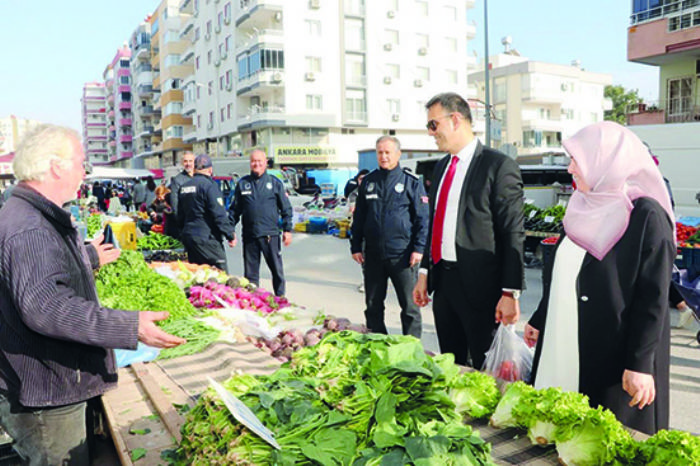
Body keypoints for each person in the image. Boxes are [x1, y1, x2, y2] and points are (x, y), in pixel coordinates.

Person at [0, 124, 185, 464]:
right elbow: (45, 306)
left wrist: (87, 257)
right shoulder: (29, 226)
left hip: (45, 380)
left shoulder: (30, 216)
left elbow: (33, 273)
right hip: (46, 394)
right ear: (57, 166)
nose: (85, 172)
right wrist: (130, 327)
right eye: (82, 162)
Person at [523, 122, 675, 435]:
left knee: (603, 439)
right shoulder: (580, 206)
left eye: (576, 159)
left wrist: (640, 364)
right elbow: (564, 270)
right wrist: (539, 318)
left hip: (611, 351)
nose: (569, 168)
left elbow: (654, 297)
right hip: (562, 340)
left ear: (604, 159)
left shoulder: (645, 214)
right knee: (559, 429)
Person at [412, 92, 525, 369]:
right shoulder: (441, 168)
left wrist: (509, 293)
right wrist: (425, 272)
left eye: (433, 125)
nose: (430, 133)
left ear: (455, 119)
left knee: (487, 370)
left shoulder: (497, 166)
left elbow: (513, 231)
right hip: (445, 284)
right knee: (452, 365)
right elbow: (435, 223)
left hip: (482, 288)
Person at [350, 136, 429, 338]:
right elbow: (359, 217)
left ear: (398, 154)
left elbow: (422, 218)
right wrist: (356, 246)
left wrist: (419, 249)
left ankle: (410, 350)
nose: (383, 156)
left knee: (409, 307)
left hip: (402, 255)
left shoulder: (410, 182)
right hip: (374, 255)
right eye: (380, 152)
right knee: (373, 305)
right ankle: (378, 344)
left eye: (387, 152)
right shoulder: (368, 182)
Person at [230, 149, 293, 297]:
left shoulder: (274, 183)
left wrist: (287, 230)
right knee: (250, 274)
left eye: (259, 161)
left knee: (276, 270)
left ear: (265, 163)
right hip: (250, 235)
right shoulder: (243, 183)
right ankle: (252, 299)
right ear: (250, 163)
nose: (256, 164)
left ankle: (280, 297)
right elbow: (234, 210)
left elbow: (286, 208)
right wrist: (230, 231)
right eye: (253, 161)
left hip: (270, 235)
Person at [178, 154, 236, 270]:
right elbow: (219, 214)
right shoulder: (209, 186)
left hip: (189, 238)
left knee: (198, 274)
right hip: (207, 238)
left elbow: (180, 215)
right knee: (220, 274)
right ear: (210, 169)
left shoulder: (184, 187)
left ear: (195, 169)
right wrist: (230, 234)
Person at [167, 151, 195, 238]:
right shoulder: (178, 180)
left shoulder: (199, 177)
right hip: (186, 225)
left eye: (190, 161)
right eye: (186, 161)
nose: (188, 164)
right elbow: (175, 204)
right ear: (182, 163)